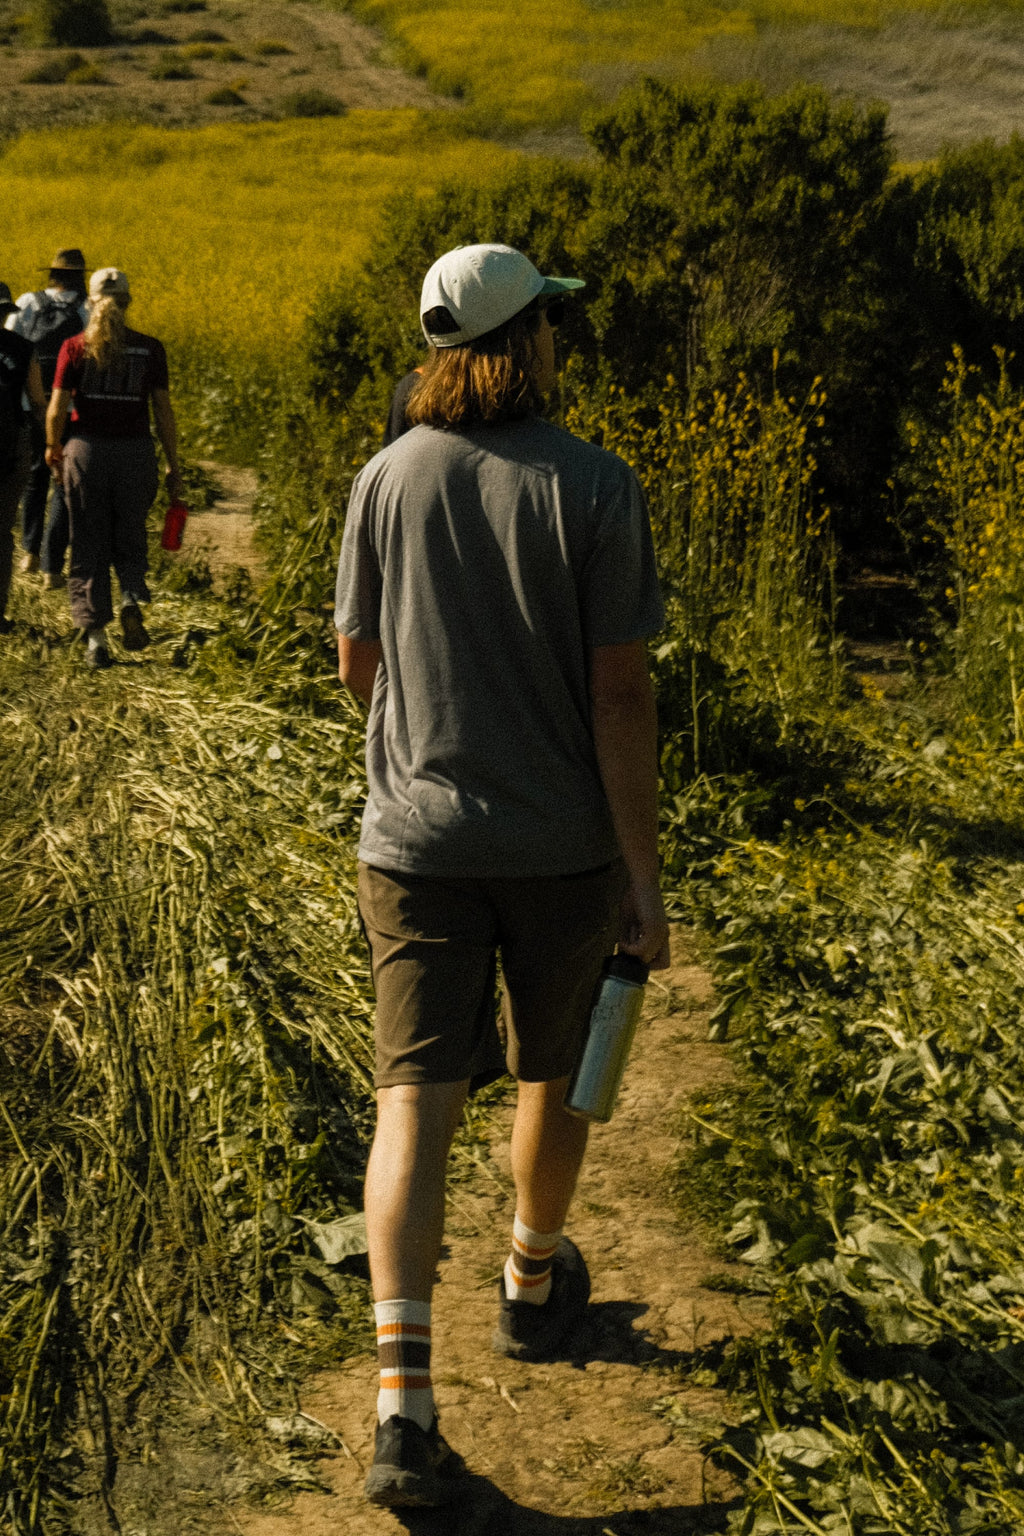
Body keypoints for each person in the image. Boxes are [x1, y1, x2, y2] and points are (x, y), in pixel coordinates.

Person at [334, 242, 669, 1509]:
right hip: (560, 846)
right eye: (550, 327)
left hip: (412, 844)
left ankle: (402, 1407)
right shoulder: (592, 484)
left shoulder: (384, 478)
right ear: (524, 342)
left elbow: (360, 667)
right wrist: (644, 871)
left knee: (412, 1099)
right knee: (553, 1068)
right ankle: (531, 1285)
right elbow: (621, 692)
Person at [45, 267, 183, 670]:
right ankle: (130, 599)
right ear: (128, 302)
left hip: (86, 454)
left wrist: (53, 449)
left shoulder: (74, 347)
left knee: (88, 542)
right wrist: (174, 465)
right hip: (136, 455)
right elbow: (163, 412)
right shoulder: (150, 349)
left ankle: (96, 642)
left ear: (90, 302)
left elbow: (56, 409)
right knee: (129, 532)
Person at [5, 247, 89, 588]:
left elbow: (12, 344)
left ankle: (29, 553)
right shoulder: (87, 307)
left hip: (32, 403)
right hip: (71, 406)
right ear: (80, 276)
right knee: (65, 481)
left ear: (51, 274)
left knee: (34, 477)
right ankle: (53, 567)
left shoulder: (28, 302)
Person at [0, 283, 47, 632]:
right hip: (9, 445)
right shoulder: (23, 348)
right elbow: (38, 402)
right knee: (2, 533)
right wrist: (48, 443)